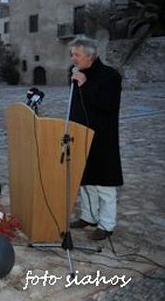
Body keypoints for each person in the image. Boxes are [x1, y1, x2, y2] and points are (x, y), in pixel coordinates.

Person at [68, 37, 123, 241]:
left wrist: (85, 85)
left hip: (102, 138)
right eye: (72, 54)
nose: (73, 59)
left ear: (90, 56)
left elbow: (108, 105)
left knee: (104, 185)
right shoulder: (76, 73)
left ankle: (106, 224)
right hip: (80, 135)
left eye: (77, 55)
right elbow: (76, 105)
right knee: (85, 182)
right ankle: (88, 216)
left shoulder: (110, 76)